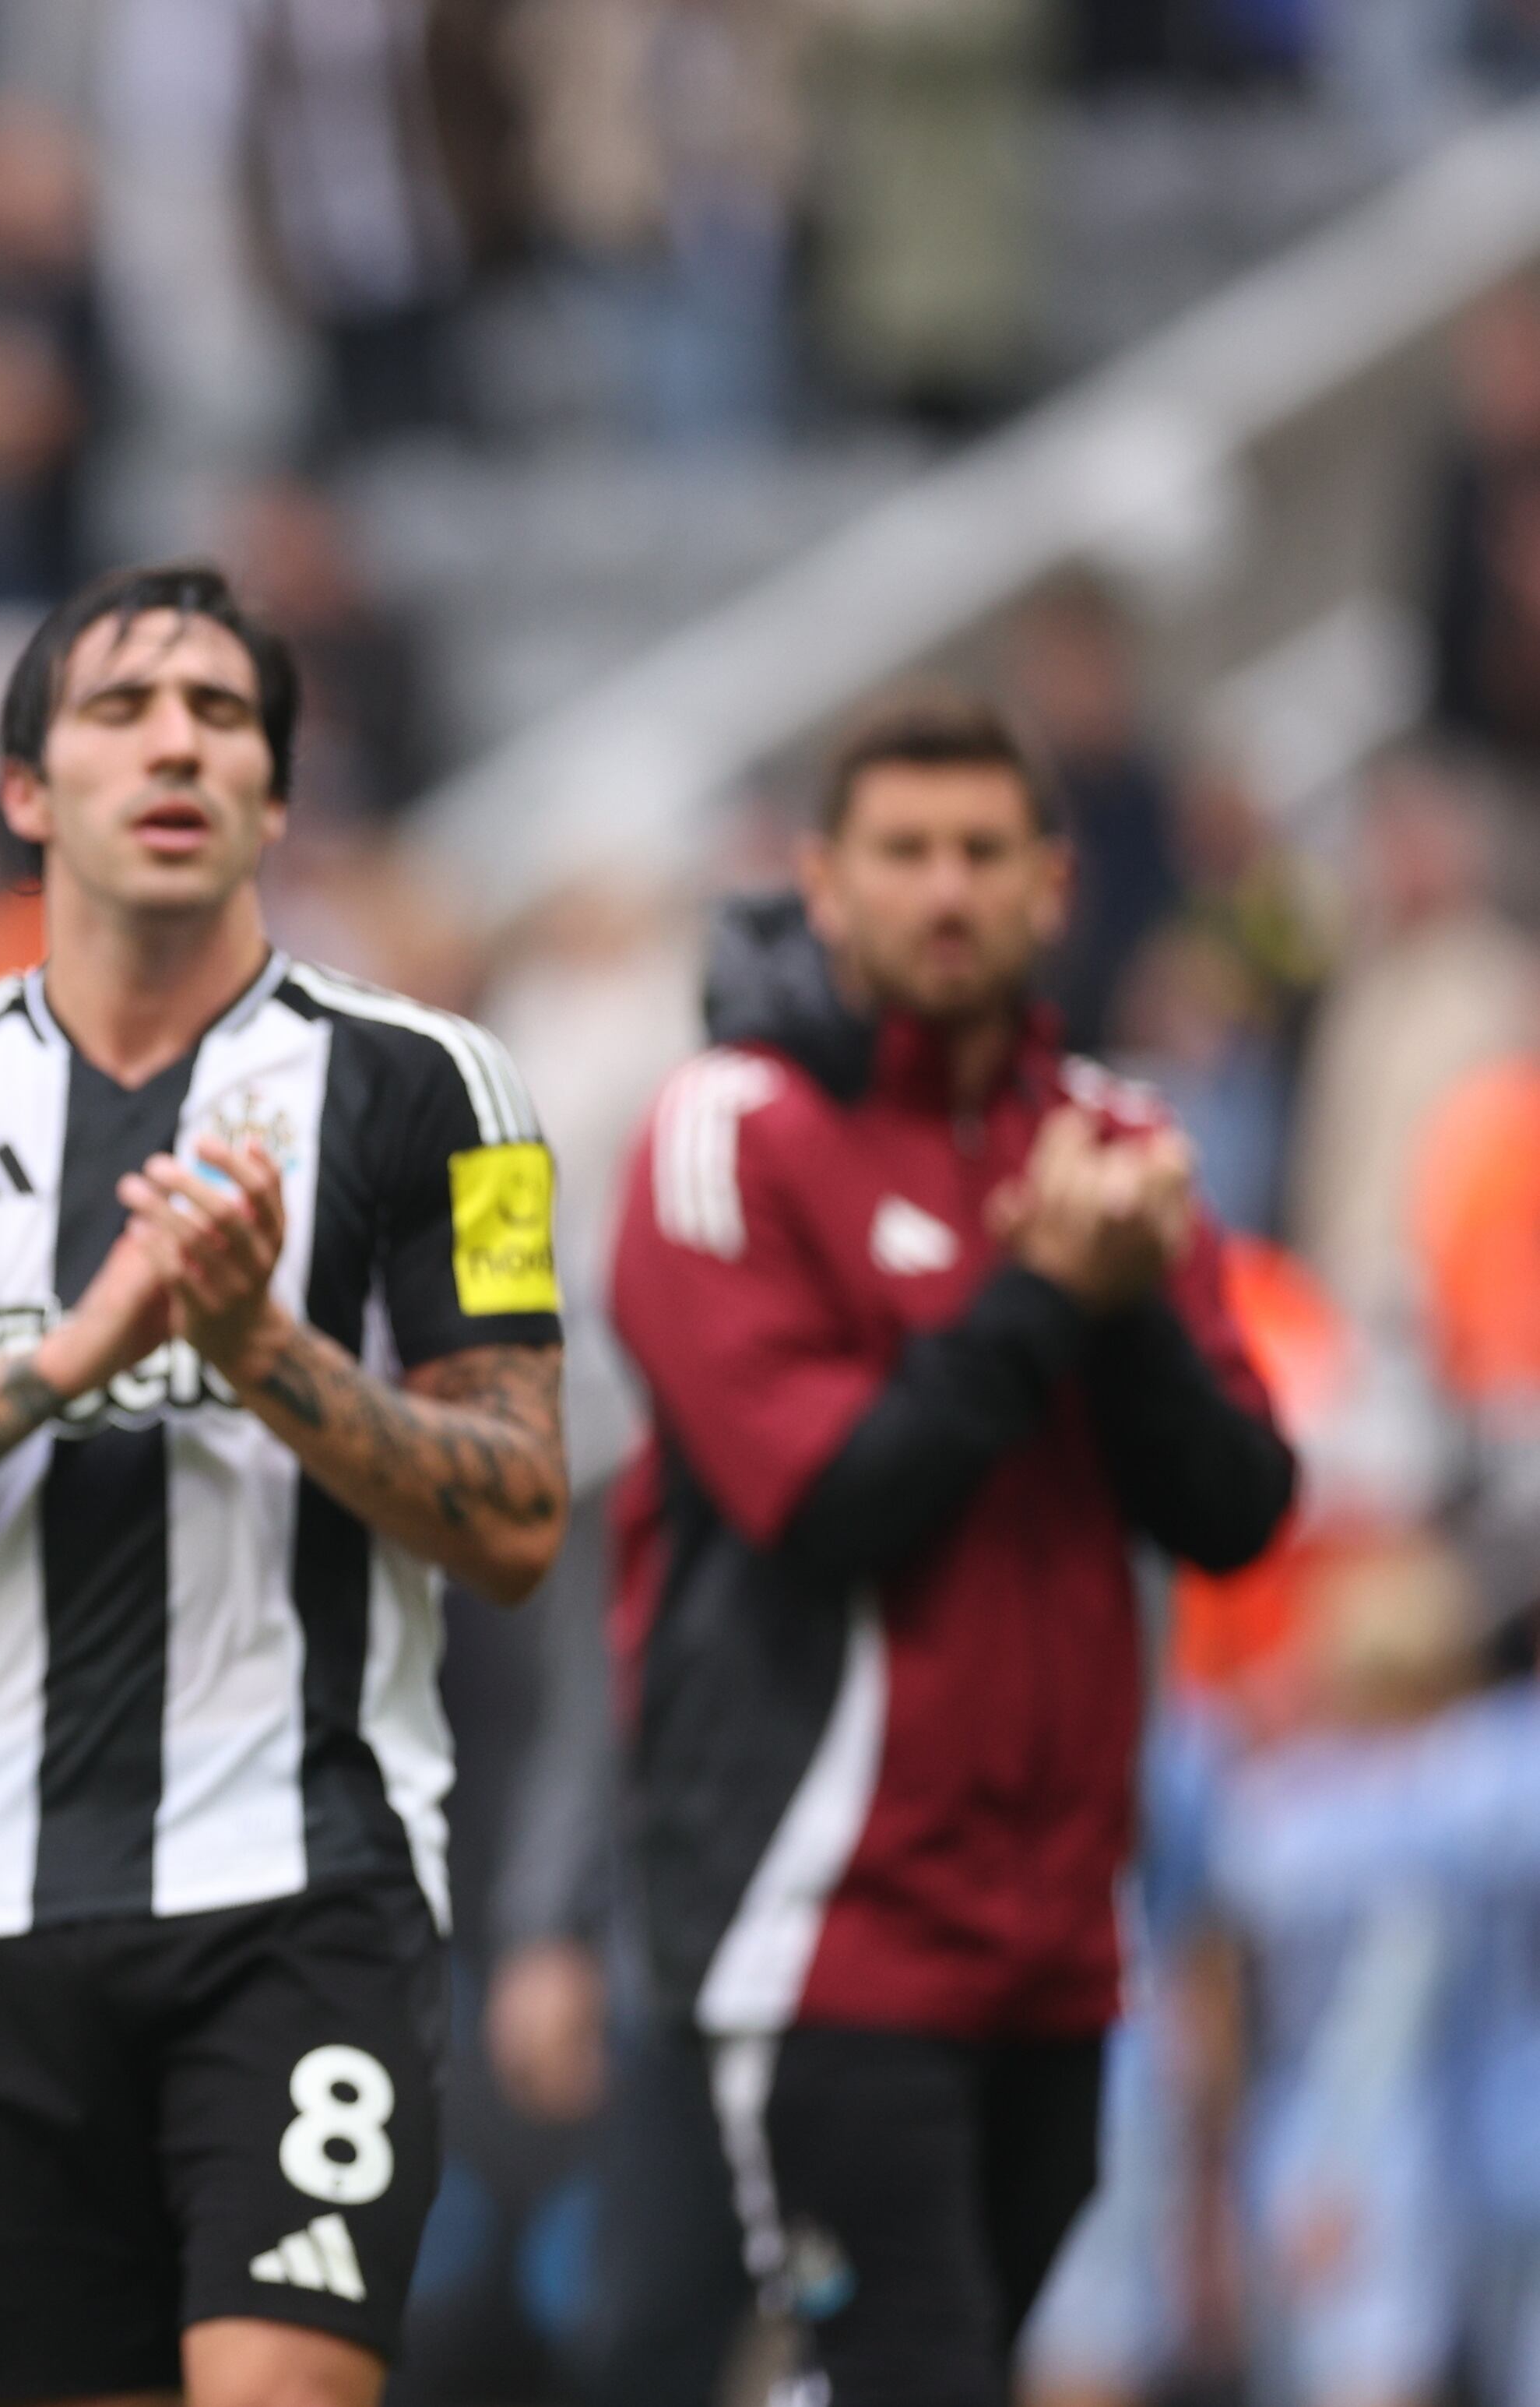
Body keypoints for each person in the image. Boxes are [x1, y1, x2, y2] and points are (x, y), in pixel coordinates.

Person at [0, 561, 575, 2407]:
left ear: (277, 790)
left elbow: (519, 1512)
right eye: (120, 708)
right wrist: (61, 1360)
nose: (175, 739)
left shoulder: (437, 1088)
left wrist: (269, 1351)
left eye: (223, 714)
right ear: (25, 792)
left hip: (309, 1897)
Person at [607, 691, 1296, 2407]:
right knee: (911, 2366)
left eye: (984, 852)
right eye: (903, 853)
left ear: (1055, 884)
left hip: (1063, 1926)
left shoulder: (1116, 1143)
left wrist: (1121, 1315)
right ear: (821, 884)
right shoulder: (728, 1128)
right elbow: (821, 1493)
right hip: (824, 1911)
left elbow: (1237, 1511)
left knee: (933, 2362)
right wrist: (1047, 1293)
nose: (946, 891)